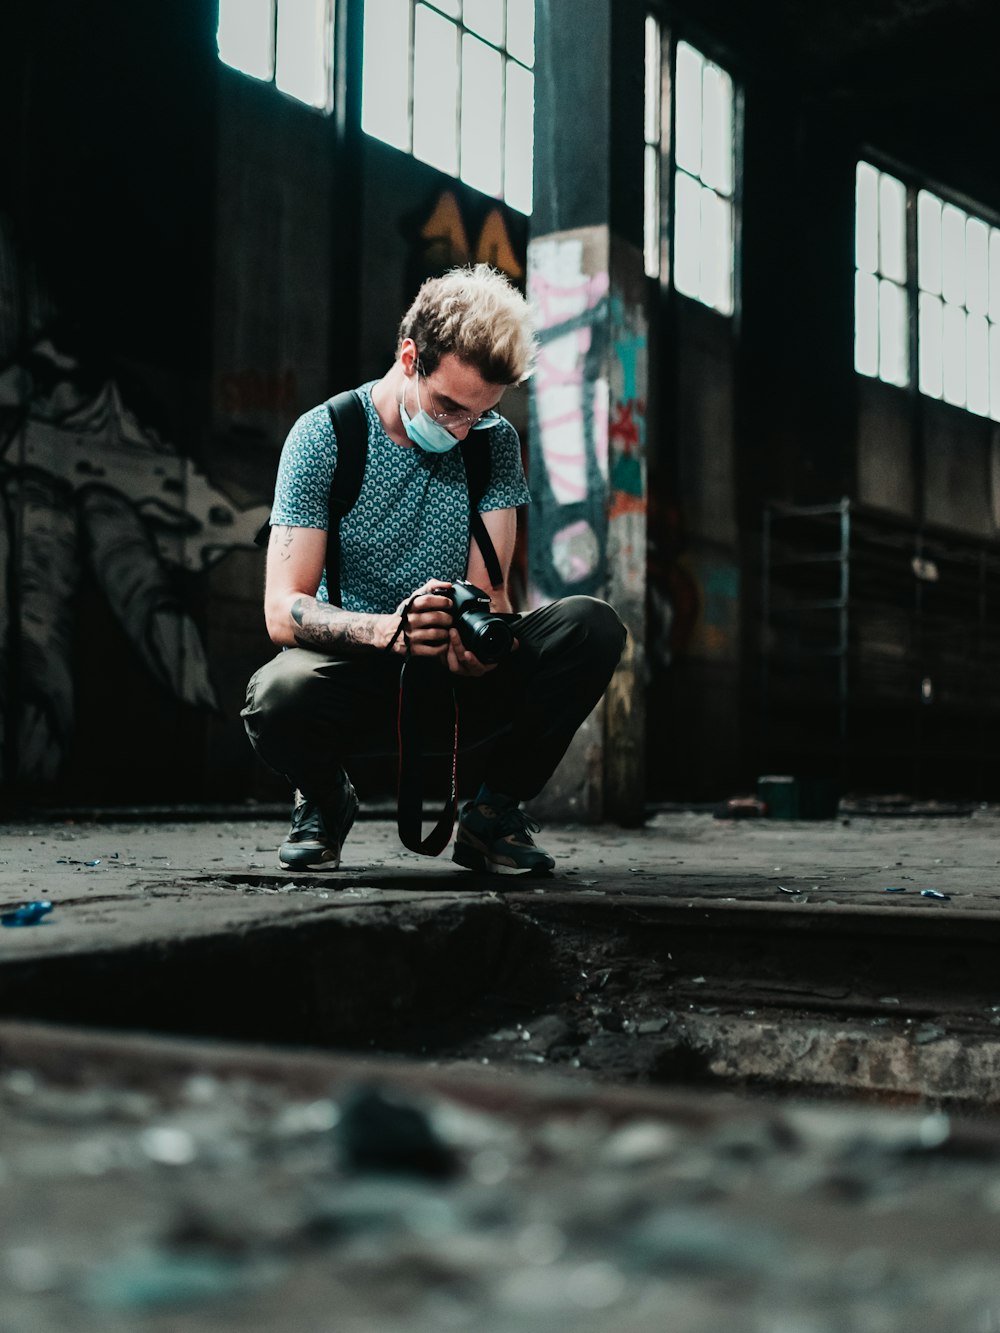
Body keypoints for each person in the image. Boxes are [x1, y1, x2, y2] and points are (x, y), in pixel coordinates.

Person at [242, 264, 625, 874]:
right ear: (410, 354)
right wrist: (388, 631)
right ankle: (322, 799)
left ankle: (493, 815)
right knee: (277, 695)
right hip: (358, 670)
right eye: (448, 405)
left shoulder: (493, 442)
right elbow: (282, 608)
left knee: (592, 627)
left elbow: (492, 591)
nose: (460, 428)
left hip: (450, 678)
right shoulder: (326, 436)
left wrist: (480, 644)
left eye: (478, 413)